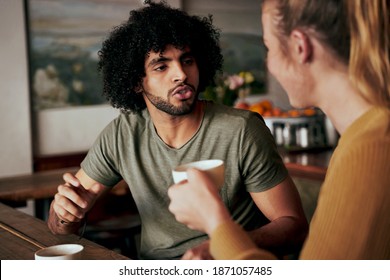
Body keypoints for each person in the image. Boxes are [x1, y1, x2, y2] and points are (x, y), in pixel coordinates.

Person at [47, 1, 308, 260]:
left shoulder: (242, 130)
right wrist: (65, 214)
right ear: (137, 82)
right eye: (162, 66)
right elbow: (60, 227)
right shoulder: (122, 135)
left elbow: (294, 226)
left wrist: (225, 246)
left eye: (187, 60)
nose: (181, 74)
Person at [168, 0, 390, 260]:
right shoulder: (360, 138)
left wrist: (215, 221)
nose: (269, 64)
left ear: (299, 47)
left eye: (269, 48)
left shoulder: (372, 148)